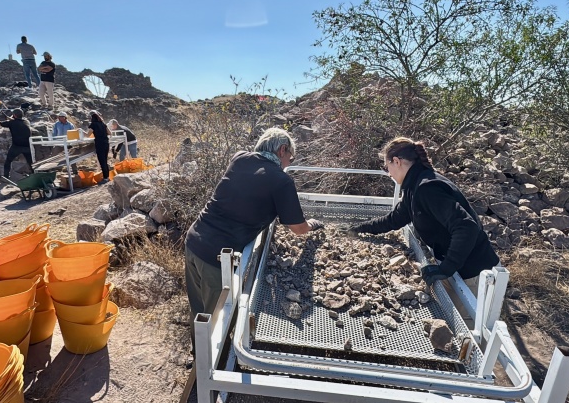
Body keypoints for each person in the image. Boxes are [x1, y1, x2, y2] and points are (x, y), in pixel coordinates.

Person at [185, 128, 324, 333]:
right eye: (290, 158)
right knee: (215, 325)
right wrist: (313, 224)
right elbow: (298, 228)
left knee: (198, 311)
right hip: (215, 259)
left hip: (193, 241)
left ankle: (196, 355)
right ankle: (205, 364)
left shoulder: (239, 158)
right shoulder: (281, 180)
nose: (288, 164)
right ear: (282, 150)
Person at [347, 137, 500, 290]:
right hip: (460, 268)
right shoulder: (413, 186)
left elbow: (466, 227)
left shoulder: (427, 188)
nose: (389, 174)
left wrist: (445, 269)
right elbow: (394, 220)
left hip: (476, 274)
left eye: (387, 167)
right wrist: (358, 228)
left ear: (397, 161)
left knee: (464, 314)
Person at [0, 108, 33, 179]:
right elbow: (18, 122)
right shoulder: (26, 121)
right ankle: (34, 175)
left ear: (14, 115)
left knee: (8, 161)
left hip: (16, 146)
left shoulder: (12, 123)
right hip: (27, 146)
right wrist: (11, 119)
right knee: (31, 163)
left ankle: (6, 177)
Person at [88, 110, 111, 184]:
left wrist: (80, 131)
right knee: (105, 160)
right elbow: (109, 132)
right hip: (106, 143)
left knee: (102, 161)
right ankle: (107, 176)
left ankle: (105, 178)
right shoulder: (102, 123)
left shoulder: (93, 125)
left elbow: (88, 135)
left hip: (99, 143)